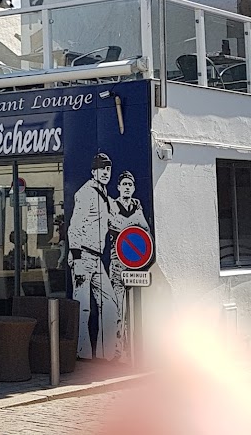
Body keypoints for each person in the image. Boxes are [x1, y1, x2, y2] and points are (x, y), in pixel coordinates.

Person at [68, 152, 118, 359]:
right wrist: (76, 256)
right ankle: (83, 353)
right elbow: (74, 226)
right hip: (83, 256)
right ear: (93, 171)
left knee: (109, 302)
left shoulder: (104, 195)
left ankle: (104, 354)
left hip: (96, 257)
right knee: (83, 308)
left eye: (108, 169)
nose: (105, 173)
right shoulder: (86, 193)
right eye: (101, 169)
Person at [108, 170, 149, 359]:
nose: (126, 187)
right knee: (118, 306)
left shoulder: (136, 204)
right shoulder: (112, 204)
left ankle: (130, 346)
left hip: (134, 261)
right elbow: (114, 224)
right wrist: (132, 223)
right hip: (117, 260)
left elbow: (145, 227)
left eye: (129, 185)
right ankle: (117, 347)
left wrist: (129, 223)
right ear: (118, 187)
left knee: (132, 307)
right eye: (123, 184)